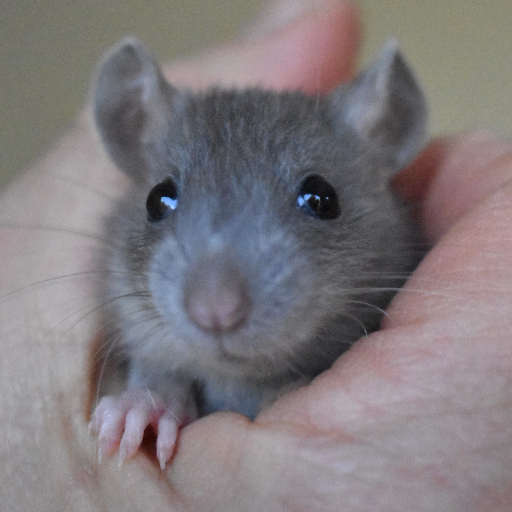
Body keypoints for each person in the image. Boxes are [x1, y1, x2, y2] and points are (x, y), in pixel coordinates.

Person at [2, 1, 512, 510]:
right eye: (164, 203)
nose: (216, 303)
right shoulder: (121, 300)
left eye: (316, 201)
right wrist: (150, 393)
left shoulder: (407, 275)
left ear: (388, 128)